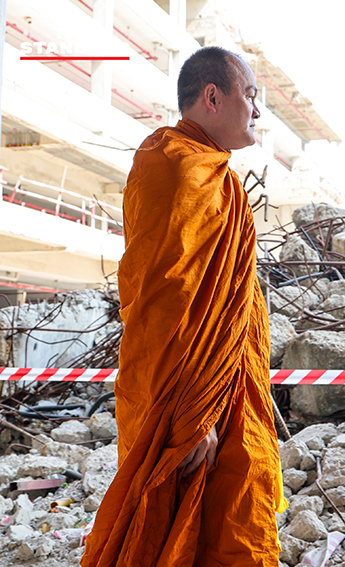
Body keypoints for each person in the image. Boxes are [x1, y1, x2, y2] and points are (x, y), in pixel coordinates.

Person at [81, 46, 286, 567]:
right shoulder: (173, 168)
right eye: (251, 96)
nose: (258, 112)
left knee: (233, 510)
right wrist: (192, 417)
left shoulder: (219, 175)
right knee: (173, 523)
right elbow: (164, 301)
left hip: (227, 381)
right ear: (213, 96)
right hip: (186, 397)